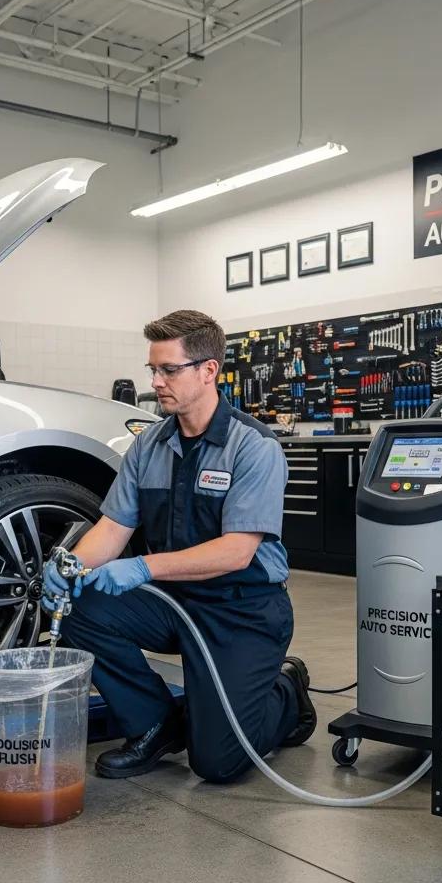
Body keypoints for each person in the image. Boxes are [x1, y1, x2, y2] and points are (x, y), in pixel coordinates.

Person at [42, 309, 315, 782]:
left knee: (218, 763)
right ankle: (154, 725)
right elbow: (112, 529)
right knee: (81, 603)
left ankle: (287, 690)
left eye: (169, 369)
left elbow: (236, 553)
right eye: (153, 369)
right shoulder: (148, 447)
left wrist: (144, 567)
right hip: (176, 602)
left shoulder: (253, 447)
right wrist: (68, 566)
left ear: (208, 371)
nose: (157, 381)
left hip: (242, 610)